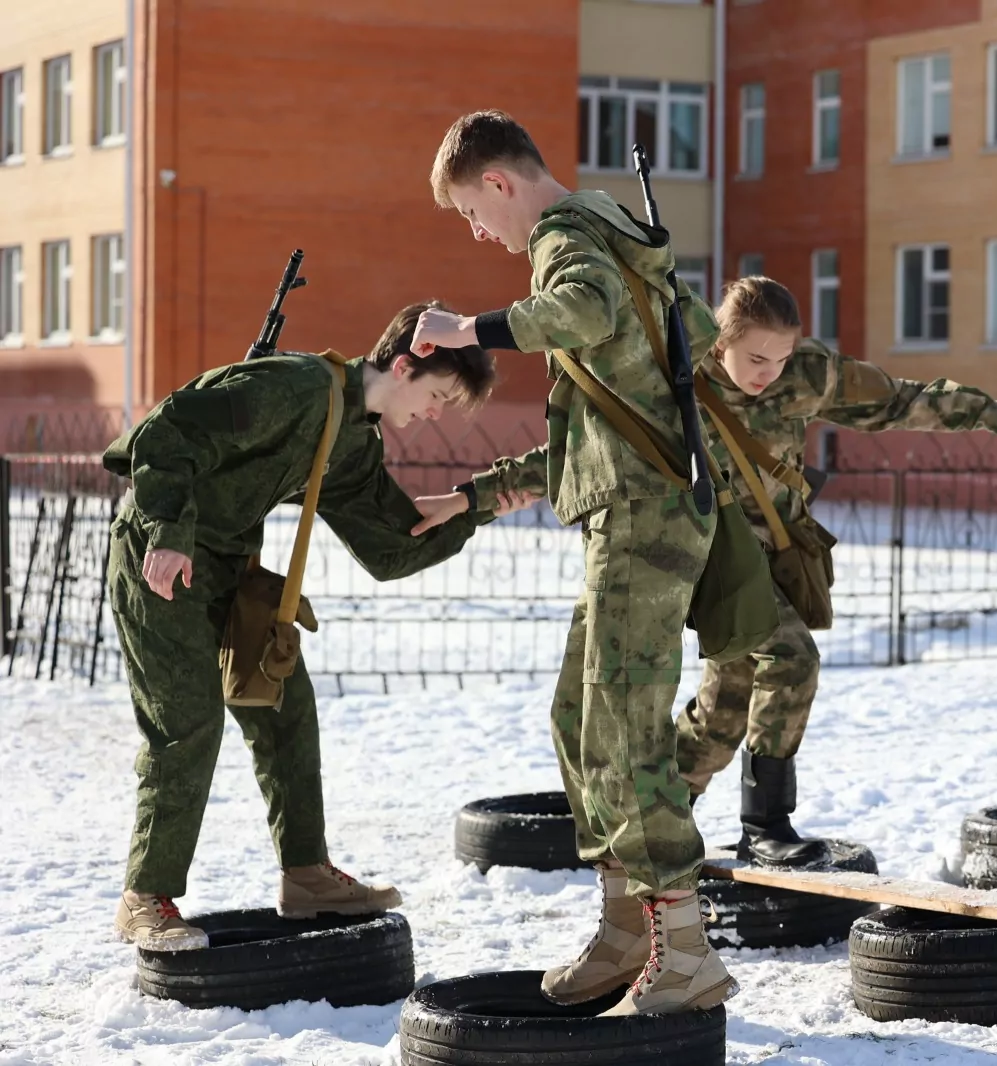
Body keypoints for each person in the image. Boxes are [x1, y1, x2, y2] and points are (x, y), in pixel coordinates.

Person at [409, 109, 731, 1016]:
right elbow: (612, 417)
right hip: (632, 508)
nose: (481, 233)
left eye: (475, 213)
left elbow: (581, 315)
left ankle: (686, 949)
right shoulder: (615, 230)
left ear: (500, 183)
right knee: (579, 718)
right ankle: (630, 926)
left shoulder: (563, 237)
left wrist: (470, 327)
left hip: (642, 521)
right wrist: (474, 497)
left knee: (626, 730)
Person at [103, 302, 498, 950]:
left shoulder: (352, 439)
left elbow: (391, 547)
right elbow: (167, 434)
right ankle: (145, 897)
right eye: (437, 396)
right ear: (405, 364)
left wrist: (483, 502)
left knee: (284, 702)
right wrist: (169, 532)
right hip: (158, 553)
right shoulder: (294, 387)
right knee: (188, 722)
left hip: (228, 569)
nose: (434, 416)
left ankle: (307, 874)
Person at [672, 276, 997, 865]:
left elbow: (897, 400)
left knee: (728, 700)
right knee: (792, 660)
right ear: (721, 342)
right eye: (756, 357)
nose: (769, 371)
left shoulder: (809, 375)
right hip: (708, 561)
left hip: (774, 556)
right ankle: (764, 823)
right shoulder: (679, 377)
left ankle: (659, 811)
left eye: (782, 356)